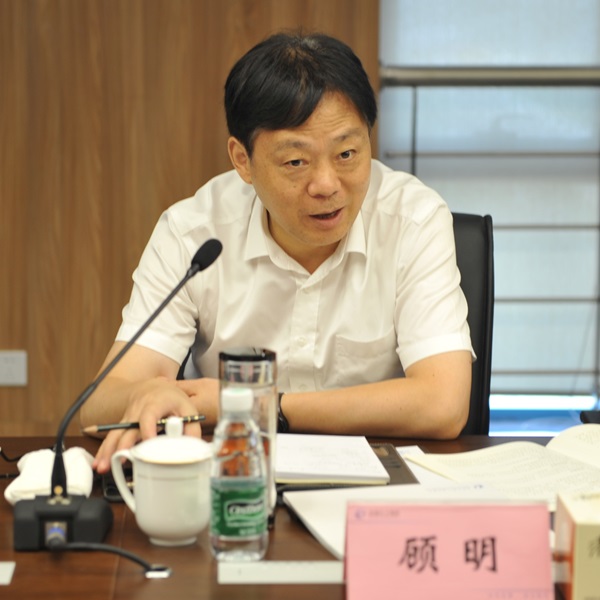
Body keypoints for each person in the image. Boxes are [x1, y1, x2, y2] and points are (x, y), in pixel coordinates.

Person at [84, 31, 474, 474]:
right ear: (242, 160)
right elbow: (98, 402)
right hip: (233, 481)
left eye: (347, 153)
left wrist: (258, 405)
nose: (326, 184)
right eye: (296, 162)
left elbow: (443, 405)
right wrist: (144, 394)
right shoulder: (193, 233)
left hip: (378, 485)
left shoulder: (413, 220)